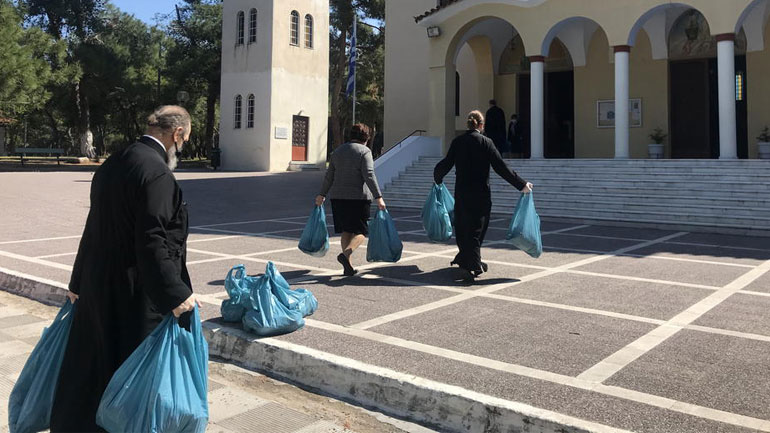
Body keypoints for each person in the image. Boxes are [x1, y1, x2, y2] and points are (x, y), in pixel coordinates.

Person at [51, 106, 199, 432]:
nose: (182, 147)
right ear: (176, 134)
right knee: (131, 375)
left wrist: (77, 280)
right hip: (134, 293)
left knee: (98, 367)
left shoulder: (114, 163)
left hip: (97, 283)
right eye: (185, 139)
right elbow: (152, 240)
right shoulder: (158, 174)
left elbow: (95, 224)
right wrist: (176, 295)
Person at [434, 110, 533, 281]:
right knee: (477, 229)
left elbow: (446, 163)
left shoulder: (458, 142)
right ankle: (470, 263)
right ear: (482, 125)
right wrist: (521, 184)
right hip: (480, 194)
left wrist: (437, 178)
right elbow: (501, 167)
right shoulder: (486, 142)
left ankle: (469, 259)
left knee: (464, 228)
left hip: (462, 193)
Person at [317, 124, 386, 276]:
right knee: (361, 231)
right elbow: (369, 175)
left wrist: (321, 194)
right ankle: (346, 254)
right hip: (358, 198)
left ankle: (347, 265)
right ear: (366, 138)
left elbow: (329, 176)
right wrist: (378, 197)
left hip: (338, 197)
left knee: (346, 230)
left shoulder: (337, 152)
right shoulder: (364, 151)